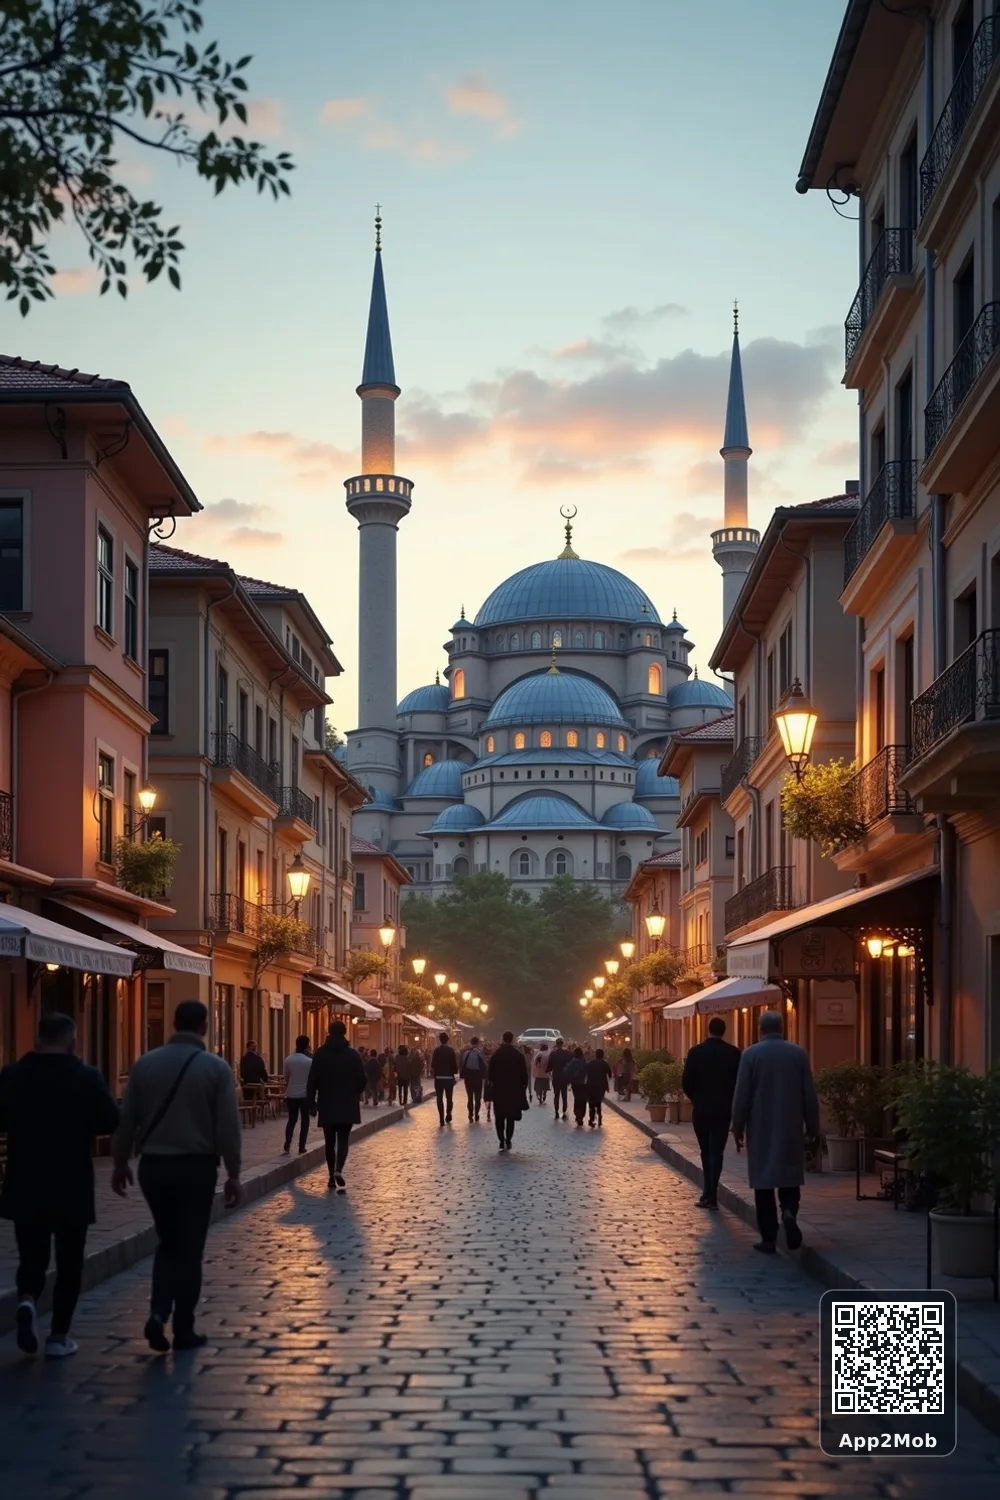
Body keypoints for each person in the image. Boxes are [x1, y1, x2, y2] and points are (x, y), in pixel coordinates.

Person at [112, 999, 242, 1353]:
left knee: (167, 1242)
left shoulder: (144, 1065)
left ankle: (157, 1313)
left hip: (154, 1166)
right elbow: (228, 1129)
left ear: (173, 1022)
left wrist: (120, 1162)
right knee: (190, 1248)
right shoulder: (215, 1069)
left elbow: (127, 1120)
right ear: (204, 1027)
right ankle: (183, 1327)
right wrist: (233, 1173)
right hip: (196, 1168)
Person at [0, 1012, 119, 1360]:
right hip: (71, 1181)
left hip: (25, 1178)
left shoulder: (13, 1075)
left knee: (31, 1257)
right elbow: (110, 1121)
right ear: (73, 1042)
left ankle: (26, 1301)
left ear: (36, 1039)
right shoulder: (85, 1077)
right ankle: (58, 1336)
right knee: (69, 1263)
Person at [730, 1010, 821, 1255]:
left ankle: (769, 1238)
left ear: (760, 1029)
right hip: (790, 1125)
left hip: (761, 1127)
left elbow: (742, 1095)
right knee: (789, 1175)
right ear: (782, 1028)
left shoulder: (750, 1055)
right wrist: (813, 1126)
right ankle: (789, 1211)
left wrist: (737, 1126)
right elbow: (809, 1095)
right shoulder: (797, 1054)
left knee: (763, 1182)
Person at [681, 1016, 742, 1209]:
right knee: (717, 1151)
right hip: (723, 1110)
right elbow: (739, 1083)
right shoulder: (734, 1054)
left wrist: (696, 1099)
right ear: (724, 1031)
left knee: (705, 1151)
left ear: (708, 1029)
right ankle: (712, 1193)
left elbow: (686, 1082)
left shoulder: (696, 1052)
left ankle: (708, 1192)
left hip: (702, 1109)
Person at [305, 1019, 368, 1193]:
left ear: (329, 1031)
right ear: (345, 1032)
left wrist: (312, 1102)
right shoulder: (353, 1054)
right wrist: (356, 1092)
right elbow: (362, 1079)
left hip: (327, 1103)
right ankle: (339, 1169)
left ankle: (331, 1176)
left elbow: (312, 1081)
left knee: (329, 1142)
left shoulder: (320, 1054)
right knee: (343, 1140)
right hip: (347, 1103)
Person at [487, 1031, 529, 1151]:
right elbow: (524, 1075)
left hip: (499, 1090)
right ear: (512, 1040)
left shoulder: (496, 1055)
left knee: (499, 1116)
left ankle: (501, 1139)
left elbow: (490, 1075)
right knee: (510, 1116)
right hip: (513, 1090)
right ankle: (508, 1138)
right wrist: (523, 1087)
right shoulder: (518, 1055)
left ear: (502, 1039)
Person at [280, 1034, 313, 1156]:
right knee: (305, 1121)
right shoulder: (310, 1061)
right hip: (304, 1095)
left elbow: (286, 1077)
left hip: (291, 1094)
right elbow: (311, 1079)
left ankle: (287, 1144)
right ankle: (301, 1146)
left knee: (292, 1120)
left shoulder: (288, 1060)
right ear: (307, 1046)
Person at [431, 1031, 459, 1126]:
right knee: (449, 1098)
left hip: (438, 1078)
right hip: (448, 1078)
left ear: (440, 1040)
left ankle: (441, 1118)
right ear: (447, 1040)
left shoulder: (436, 1051)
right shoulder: (451, 1051)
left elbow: (433, 1065)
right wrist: (454, 1073)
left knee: (439, 1098)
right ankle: (448, 1113)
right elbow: (454, 1065)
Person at [460, 1035, 487, 1121]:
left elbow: (462, 1065)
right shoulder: (480, 1053)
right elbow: (484, 1066)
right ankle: (476, 1114)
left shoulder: (466, 1053)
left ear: (471, 1043)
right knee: (478, 1097)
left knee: (470, 1097)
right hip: (478, 1077)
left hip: (468, 1078)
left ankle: (470, 1114)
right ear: (478, 1043)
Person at [584, 1047, 612, 1127]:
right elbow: (610, 1074)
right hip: (601, 1086)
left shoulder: (590, 1063)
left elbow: (584, 1072)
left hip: (591, 1085)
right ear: (603, 1055)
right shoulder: (605, 1063)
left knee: (591, 1103)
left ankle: (591, 1119)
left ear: (595, 1055)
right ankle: (599, 1118)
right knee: (598, 1102)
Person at [546, 1038, 571, 1120]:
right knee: (564, 1095)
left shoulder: (553, 1054)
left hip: (556, 1077)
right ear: (563, 1044)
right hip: (564, 1077)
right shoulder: (567, 1053)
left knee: (556, 1095)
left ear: (556, 1044)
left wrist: (546, 1071)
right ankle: (564, 1111)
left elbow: (550, 1066)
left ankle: (556, 1111)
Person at [565, 1047, 588, 1126]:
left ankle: (577, 1115)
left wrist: (569, 1081)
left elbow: (567, 1071)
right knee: (583, 1100)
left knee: (577, 1099)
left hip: (575, 1084)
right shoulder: (584, 1061)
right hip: (583, 1083)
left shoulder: (573, 1061)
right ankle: (581, 1115)